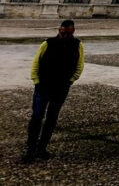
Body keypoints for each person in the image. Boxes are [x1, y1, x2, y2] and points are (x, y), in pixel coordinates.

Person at [23, 20, 84, 163]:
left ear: (73, 31)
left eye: (68, 33)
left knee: (51, 117)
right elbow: (36, 62)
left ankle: (42, 148)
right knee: (37, 116)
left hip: (61, 87)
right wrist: (36, 80)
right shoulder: (47, 43)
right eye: (63, 32)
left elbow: (80, 64)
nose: (65, 35)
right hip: (43, 86)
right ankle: (30, 148)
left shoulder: (77, 45)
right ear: (59, 30)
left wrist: (72, 79)